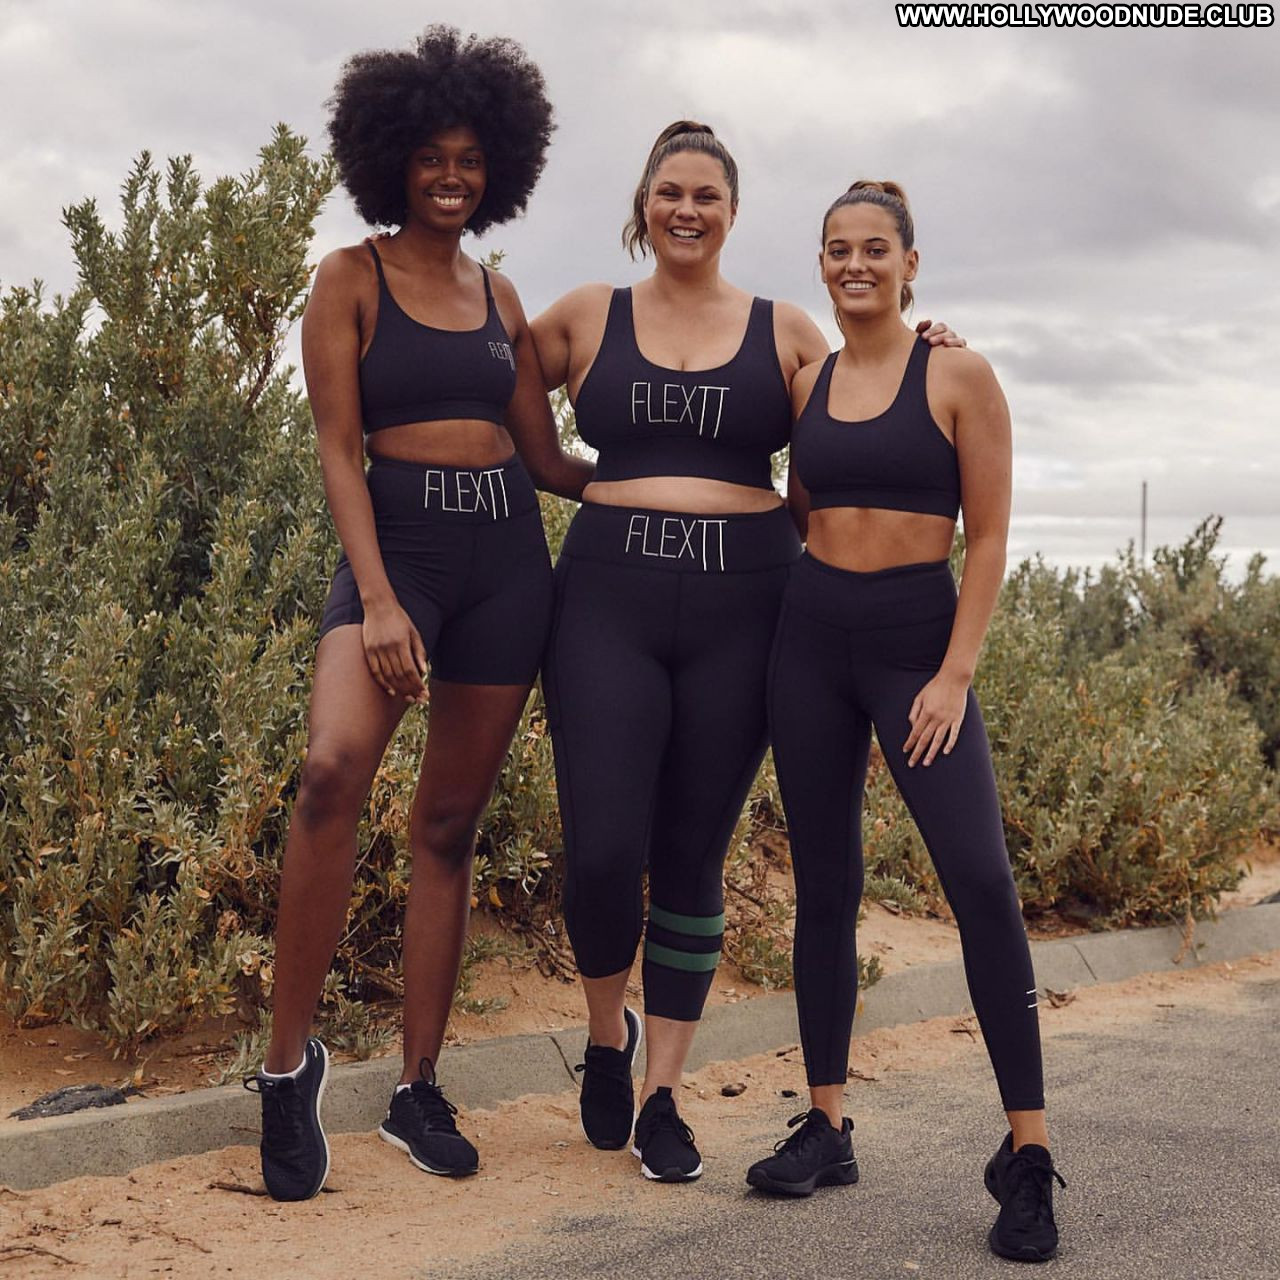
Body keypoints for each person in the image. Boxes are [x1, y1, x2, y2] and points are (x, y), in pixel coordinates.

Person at [531, 127, 961, 1184]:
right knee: (600, 852)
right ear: (644, 202)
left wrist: (932, 344)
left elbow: (869, 393)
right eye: (669, 191)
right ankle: (605, 1034)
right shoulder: (586, 313)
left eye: (707, 195)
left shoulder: (786, 330)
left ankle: (663, 1095)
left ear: (732, 211)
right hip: (606, 601)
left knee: (692, 852)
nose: (687, 209)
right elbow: (486, 381)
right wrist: (581, 478)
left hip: (746, 605)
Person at [245, 27, 590, 1202]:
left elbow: (548, 458)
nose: (451, 175)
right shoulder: (348, 278)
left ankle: (417, 1086)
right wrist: (383, 599)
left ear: (500, 166)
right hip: (398, 557)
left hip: (504, 558)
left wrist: (685, 481)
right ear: (390, 158)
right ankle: (285, 1070)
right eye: (432, 157)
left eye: (470, 159)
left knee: (447, 823)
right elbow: (337, 450)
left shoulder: (500, 294)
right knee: (330, 770)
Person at [744, 180, 1065, 1261]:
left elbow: (987, 535)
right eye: (837, 249)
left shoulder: (959, 374)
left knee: (979, 880)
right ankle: (826, 1122)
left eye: (874, 248)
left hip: (915, 648)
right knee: (825, 884)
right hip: (809, 642)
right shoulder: (808, 381)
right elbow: (795, 505)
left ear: (909, 263)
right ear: (821, 262)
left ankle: (1028, 1154)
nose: (854, 264)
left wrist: (953, 673)